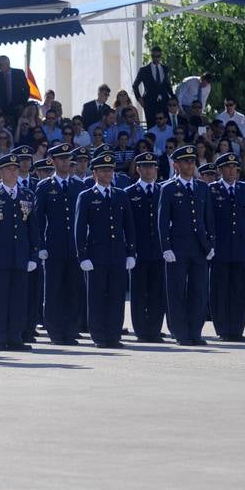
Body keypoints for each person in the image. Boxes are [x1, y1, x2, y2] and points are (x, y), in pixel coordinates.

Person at [73, 151, 135, 349]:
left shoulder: (120, 195)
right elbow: (80, 228)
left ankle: (114, 334)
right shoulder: (86, 196)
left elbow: (129, 226)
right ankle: (99, 335)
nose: (108, 174)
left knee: (116, 296)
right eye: (104, 170)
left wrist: (130, 252)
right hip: (96, 255)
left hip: (116, 254)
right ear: (95, 173)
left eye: (110, 170)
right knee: (97, 297)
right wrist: (82, 255)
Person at [157, 145, 215, 346]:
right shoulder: (169, 188)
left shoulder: (203, 188)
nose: (190, 165)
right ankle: (180, 332)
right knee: (176, 291)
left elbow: (208, 219)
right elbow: (162, 221)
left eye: (192, 161)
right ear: (176, 165)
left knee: (198, 291)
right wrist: (166, 247)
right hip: (178, 248)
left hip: (199, 248)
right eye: (186, 162)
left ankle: (195, 331)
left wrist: (211, 244)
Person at [0, 151, 39, 351]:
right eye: (9, 169)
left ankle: (16, 337)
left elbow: (32, 228)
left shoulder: (27, 195)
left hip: (21, 255)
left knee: (19, 298)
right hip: (0, 256)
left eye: (16, 168)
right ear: (0, 172)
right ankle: (0, 337)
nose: (13, 172)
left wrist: (34, 254)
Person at [207, 152, 245, 342]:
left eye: (234, 167)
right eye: (227, 167)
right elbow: (208, 221)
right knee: (220, 290)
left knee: (239, 290)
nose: (232, 170)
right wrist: (209, 246)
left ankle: (237, 329)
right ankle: (222, 329)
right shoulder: (212, 190)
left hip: (240, 248)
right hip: (219, 249)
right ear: (220, 170)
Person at [34, 149, 84, 344]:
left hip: (74, 247)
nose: (64, 162)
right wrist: (41, 245)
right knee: (53, 291)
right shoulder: (45, 186)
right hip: (53, 247)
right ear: (52, 161)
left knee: (73, 289)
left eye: (67, 158)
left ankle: (71, 331)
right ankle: (55, 332)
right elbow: (38, 219)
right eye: (61, 159)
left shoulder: (79, 186)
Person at [125, 152, 165, 341]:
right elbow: (126, 224)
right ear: (138, 169)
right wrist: (129, 251)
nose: (149, 170)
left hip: (159, 251)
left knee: (157, 292)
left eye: (152, 166)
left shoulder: (163, 191)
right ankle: (141, 330)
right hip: (139, 251)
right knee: (139, 293)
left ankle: (155, 330)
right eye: (145, 166)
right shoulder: (129, 193)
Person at [132, 46, 173, 127]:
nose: (156, 58)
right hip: (149, 102)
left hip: (164, 102)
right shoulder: (144, 70)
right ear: (151, 56)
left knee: (167, 124)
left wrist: (173, 98)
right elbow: (135, 85)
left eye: (158, 56)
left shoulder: (165, 68)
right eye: (154, 56)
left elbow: (167, 85)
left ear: (161, 56)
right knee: (151, 125)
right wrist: (140, 99)